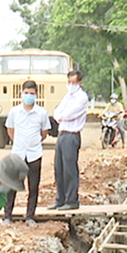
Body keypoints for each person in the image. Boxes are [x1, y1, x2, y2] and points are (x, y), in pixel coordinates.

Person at [4, 79, 49, 227]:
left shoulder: (42, 113)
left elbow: (44, 133)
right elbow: (10, 130)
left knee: (33, 186)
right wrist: (19, 142)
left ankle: (30, 216)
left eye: (32, 93)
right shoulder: (14, 112)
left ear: (36, 94)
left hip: (34, 154)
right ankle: (7, 216)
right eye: (26, 93)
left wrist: (33, 142)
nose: (29, 96)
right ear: (21, 93)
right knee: (12, 186)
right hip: (17, 154)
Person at [50, 69, 89, 211]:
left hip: (72, 135)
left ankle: (72, 200)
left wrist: (61, 115)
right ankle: (60, 199)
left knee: (69, 168)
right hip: (62, 134)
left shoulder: (82, 97)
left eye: (74, 82)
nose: (71, 85)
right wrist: (60, 115)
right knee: (59, 168)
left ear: (80, 82)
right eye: (69, 82)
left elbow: (69, 114)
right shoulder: (67, 97)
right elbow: (56, 112)